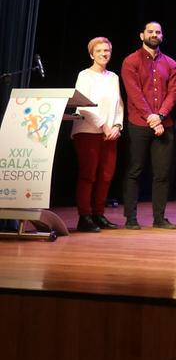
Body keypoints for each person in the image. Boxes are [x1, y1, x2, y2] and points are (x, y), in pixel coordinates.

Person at [120, 21, 176, 230]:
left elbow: (173, 93)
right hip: (139, 124)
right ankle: (131, 218)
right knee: (135, 170)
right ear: (141, 35)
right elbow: (134, 92)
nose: (154, 34)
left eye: (158, 32)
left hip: (165, 124)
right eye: (150, 32)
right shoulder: (131, 61)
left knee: (162, 174)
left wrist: (161, 116)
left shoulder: (171, 63)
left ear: (162, 36)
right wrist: (151, 118)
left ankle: (159, 218)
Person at [72, 36, 123, 232]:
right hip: (88, 131)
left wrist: (117, 125)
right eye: (99, 51)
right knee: (88, 174)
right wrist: (103, 125)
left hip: (109, 133)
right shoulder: (85, 75)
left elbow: (119, 104)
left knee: (106, 175)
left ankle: (98, 214)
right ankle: (84, 217)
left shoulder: (113, 77)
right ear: (92, 54)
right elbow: (82, 105)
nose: (104, 54)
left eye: (107, 51)